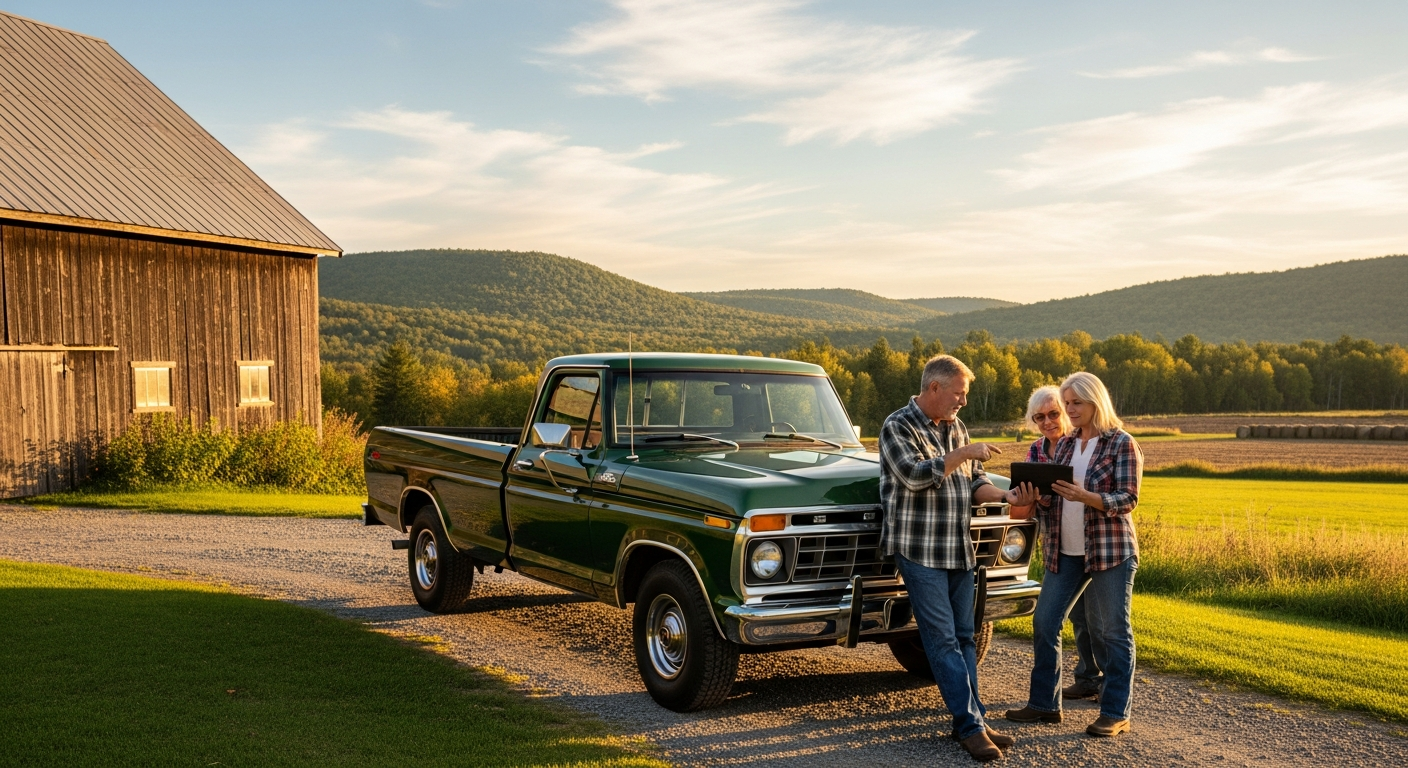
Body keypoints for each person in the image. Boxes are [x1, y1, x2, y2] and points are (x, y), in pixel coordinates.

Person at [879, 355, 1038, 763]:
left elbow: (974, 482)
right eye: (959, 393)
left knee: (967, 636)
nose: (963, 402)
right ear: (935, 387)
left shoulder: (956, 427)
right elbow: (914, 476)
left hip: (956, 548)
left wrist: (1006, 497)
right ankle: (969, 727)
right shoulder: (897, 425)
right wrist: (964, 451)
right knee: (943, 639)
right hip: (918, 551)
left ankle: (975, 719)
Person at [1006, 372, 1142, 738]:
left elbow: (1127, 499)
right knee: (1045, 622)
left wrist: (1087, 497)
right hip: (1063, 552)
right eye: (1066, 403)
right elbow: (1053, 497)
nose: (1069, 410)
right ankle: (1044, 705)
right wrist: (1032, 497)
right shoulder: (1064, 446)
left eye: (1075, 403)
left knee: (1113, 632)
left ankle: (1115, 712)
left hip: (1109, 551)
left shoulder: (1121, 443)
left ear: (1095, 402)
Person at [1014, 386, 1105, 701]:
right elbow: (1021, 508)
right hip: (1058, 546)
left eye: (1054, 413)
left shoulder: (1086, 445)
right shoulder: (1036, 453)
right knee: (1071, 614)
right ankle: (1088, 678)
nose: (1047, 422)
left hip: (1094, 544)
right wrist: (1028, 498)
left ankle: (1102, 681)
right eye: (1040, 418)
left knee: (1096, 617)